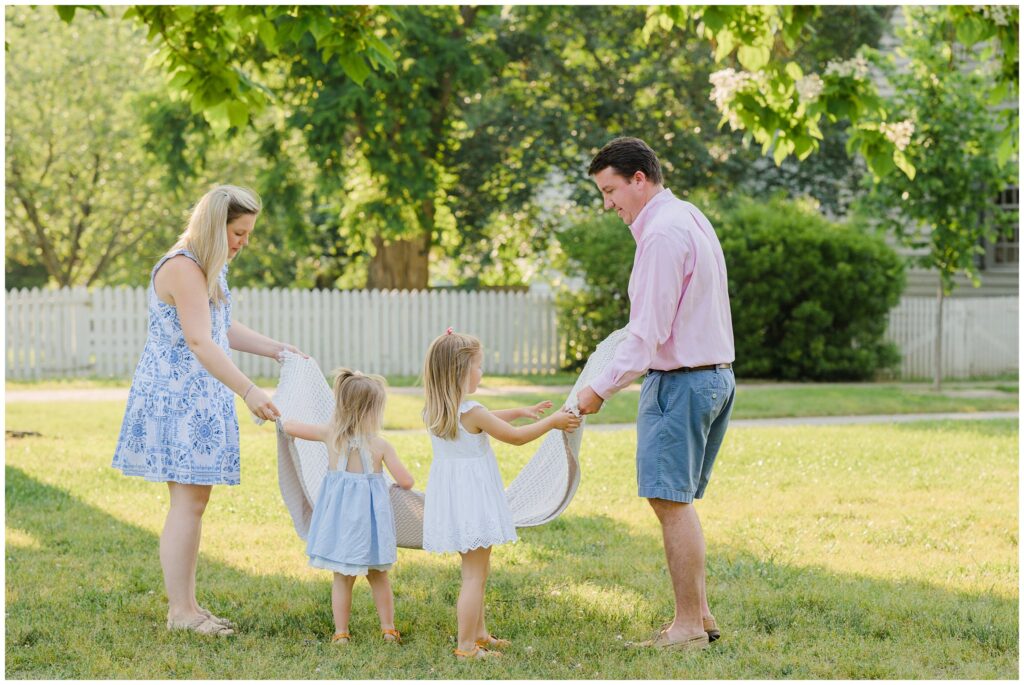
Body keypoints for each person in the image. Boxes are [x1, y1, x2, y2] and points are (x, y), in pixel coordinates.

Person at [111, 185, 304, 636]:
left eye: (248, 234)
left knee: (194, 502)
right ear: (216, 226)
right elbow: (199, 340)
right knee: (187, 502)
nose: (243, 243)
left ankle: (190, 606)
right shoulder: (182, 267)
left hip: (200, 395)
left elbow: (222, 326)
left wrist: (277, 349)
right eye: (238, 233)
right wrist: (249, 390)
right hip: (177, 398)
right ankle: (181, 613)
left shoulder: (207, 270)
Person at [575, 138, 736, 651]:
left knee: (669, 501)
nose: (608, 205)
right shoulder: (688, 216)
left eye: (611, 190)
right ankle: (702, 616)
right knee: (677, 501)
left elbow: (646, 335)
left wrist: (597, 390)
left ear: (639, 178)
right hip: (713, 376)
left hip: (681, 381)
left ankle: (687, 625)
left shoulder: (662, 235)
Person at [421, 329, 581, 660]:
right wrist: (551, 422)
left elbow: (489, 421)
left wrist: (520, 410)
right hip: (474, 498)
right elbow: (516, 438)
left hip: (455, 498)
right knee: (474, 574)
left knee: (477, 569)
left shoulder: (438, 409)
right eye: (479, 366)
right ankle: (466, 646)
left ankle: (478, 634)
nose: (482, 372)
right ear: (461, 371)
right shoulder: (472, 411)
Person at [282, 369, 414, 645]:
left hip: (340, 523)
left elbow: (290, 426)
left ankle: (341, 633)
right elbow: (406, 481)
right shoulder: (380, 445)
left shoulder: (331, 435)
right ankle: (388, 628)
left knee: (342, 578)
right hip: (371, 525)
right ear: (372, 411)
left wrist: (282, 408)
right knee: (379, 576)